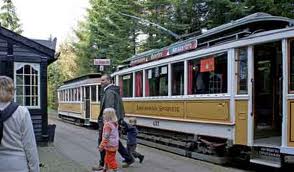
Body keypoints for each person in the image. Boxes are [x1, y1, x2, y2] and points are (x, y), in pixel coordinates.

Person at [92, 74, 134, 171]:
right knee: (114, 141)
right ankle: (129, 158)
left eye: (103, 80)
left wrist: (106, 122)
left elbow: (109, 108)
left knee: (103, 141)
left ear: (109, 81)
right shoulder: (112, 91)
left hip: (108, 122)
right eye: (101, 80)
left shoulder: (109, 92)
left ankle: (102, 164)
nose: (101, 82)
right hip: (114, 121)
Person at [0, 76, 40, 172]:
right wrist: (35, 169)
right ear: (12, 91)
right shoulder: (22, 112)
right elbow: (30, 145)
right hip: (18, 165)